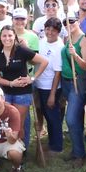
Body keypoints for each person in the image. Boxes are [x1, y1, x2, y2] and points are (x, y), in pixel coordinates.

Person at [0, 25, 47, 149]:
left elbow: (44, 62)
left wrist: (32, 78)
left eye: (10, 35)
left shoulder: (21, 50)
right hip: (5, 93)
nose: (7, 38)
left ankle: (20, 151)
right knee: (6, 123)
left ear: (15, 37)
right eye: (4, 35)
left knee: (18, 124)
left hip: (22, 93)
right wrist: (11, 83)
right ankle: (8, 149)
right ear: (0, 37)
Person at [60, 16, 86, 166]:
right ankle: (76, 151)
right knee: (76, 119)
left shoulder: (83, 40)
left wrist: (75, 55)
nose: (69, 24)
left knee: (71, 119)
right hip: (66, 82)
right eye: (66, 22)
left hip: (77, 83)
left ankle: (80, 154)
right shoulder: (67, 38)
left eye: (72, 21)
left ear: (78, 22)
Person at [31, 20, 63, 153]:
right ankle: (51, 142)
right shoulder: (41, 40)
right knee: (45, 113)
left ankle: (57, 146)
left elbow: (57, 73)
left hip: (50, 86)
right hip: (39, 84)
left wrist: (52, 94)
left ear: (58, 32)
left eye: (53, 30)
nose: (50, 32)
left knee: (52, 117)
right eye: (47, 29)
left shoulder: (59, 47)